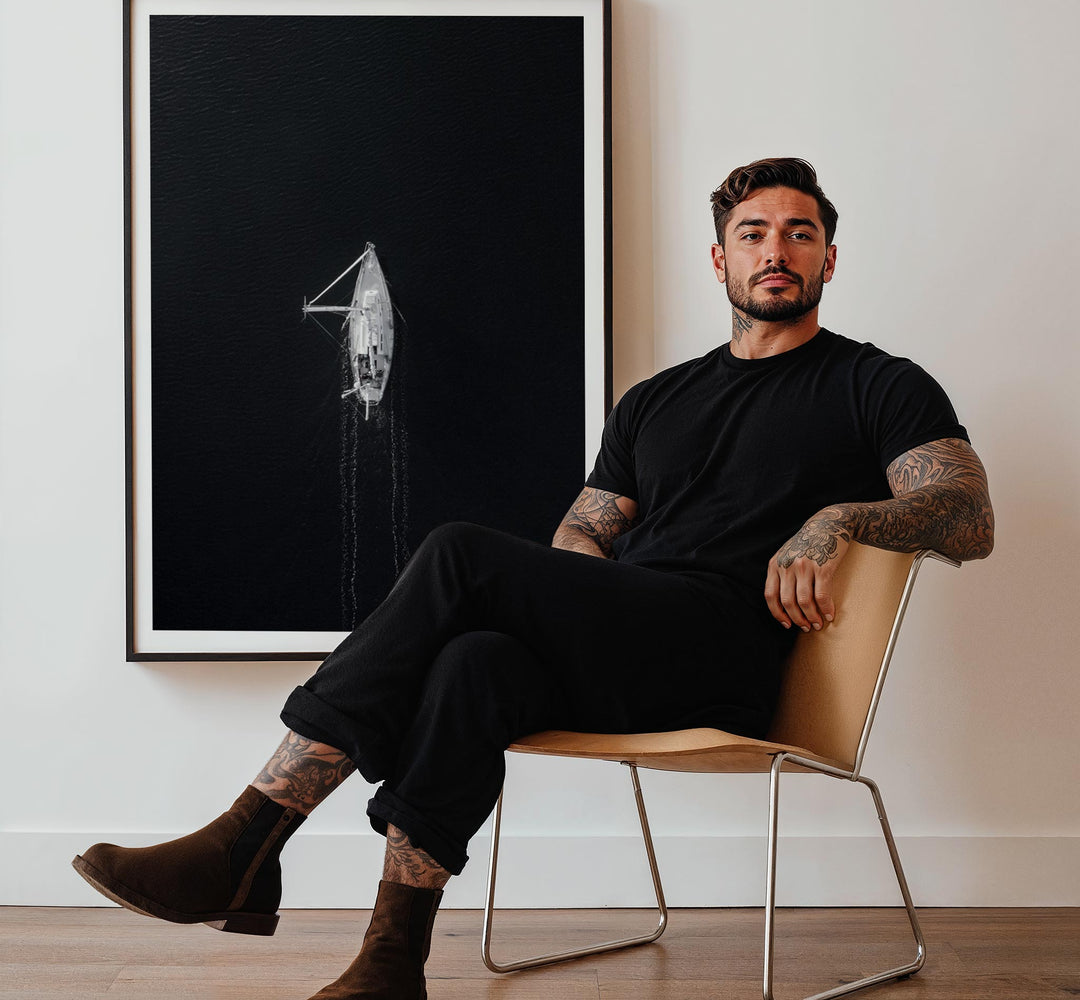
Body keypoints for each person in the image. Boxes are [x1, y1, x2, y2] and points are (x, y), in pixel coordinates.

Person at [72, 158, 994, 1000]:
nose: (777, 250)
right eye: (753, 233)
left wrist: (840, 518)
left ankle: (245, 838)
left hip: (727, 658)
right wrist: (571, 594)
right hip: (626, 638)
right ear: (719, 262)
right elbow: (582, 532)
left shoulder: (879, 385)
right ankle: (392, 962)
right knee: (477, 661)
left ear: (831, 258)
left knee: (460, 551)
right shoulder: (657, 400)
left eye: (800, 232)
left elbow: (967, 512)